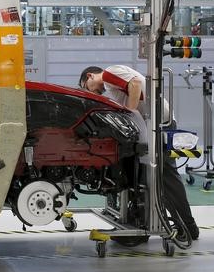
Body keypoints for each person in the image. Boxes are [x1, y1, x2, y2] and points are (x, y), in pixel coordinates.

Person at [79, 65, 199, 241]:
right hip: (153, 125)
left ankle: (188, 228)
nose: (91, 92)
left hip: (159, 126)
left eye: (85, 87)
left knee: (165, 179)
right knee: (145, 178)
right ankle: (142, 227)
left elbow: (134, 84)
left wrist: (129, 114)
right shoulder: (112, 87)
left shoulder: (108, 73)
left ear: (90, 76)